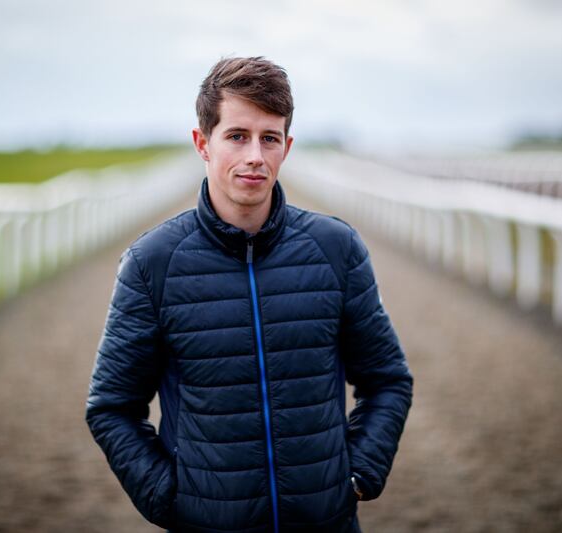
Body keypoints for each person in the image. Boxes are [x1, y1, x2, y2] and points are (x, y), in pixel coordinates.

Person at [86, 56, 413, 533]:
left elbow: (387, 380)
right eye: (237, 136)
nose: (255, 155)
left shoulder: (336, 248)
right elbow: (112, 406)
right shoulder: (151, 263)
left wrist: (359, 475)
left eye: (270, 138)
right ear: (203, 143)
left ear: (287, 147)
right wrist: (169, 501)